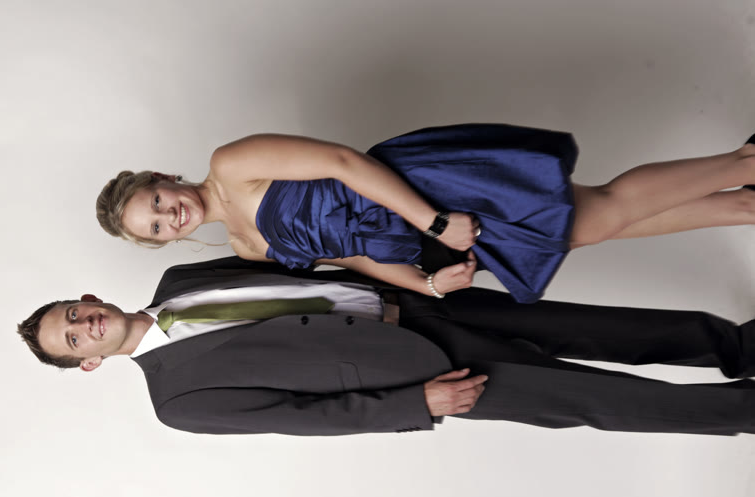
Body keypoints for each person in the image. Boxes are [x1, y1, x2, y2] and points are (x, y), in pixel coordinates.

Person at [17, 257, 754, 436]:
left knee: (608, 327)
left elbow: (298, 264)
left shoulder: (180, 277)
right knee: (598, 398)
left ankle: (741, 346)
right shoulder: (176, 401)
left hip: (421, 303)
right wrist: (415, 405)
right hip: (421, 370)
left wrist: (415, 275)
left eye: (74, 314)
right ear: (88, 362)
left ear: (89, 298)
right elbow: (302, 417)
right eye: (73, 341)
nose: (85, 326)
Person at [96, 125, 755, 303]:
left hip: (421, 192)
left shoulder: (232, 163)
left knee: (598, 212)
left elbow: (343, 162)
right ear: (165, 240)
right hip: (417, 242)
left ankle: (744, 165)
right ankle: (743, 206)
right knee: (579, 230)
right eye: (156, 227)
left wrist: (434, 222)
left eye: (156, 201)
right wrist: (429, 284)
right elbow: (352, 259)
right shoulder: (245, 249)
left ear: (164, 179)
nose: (169, 215)